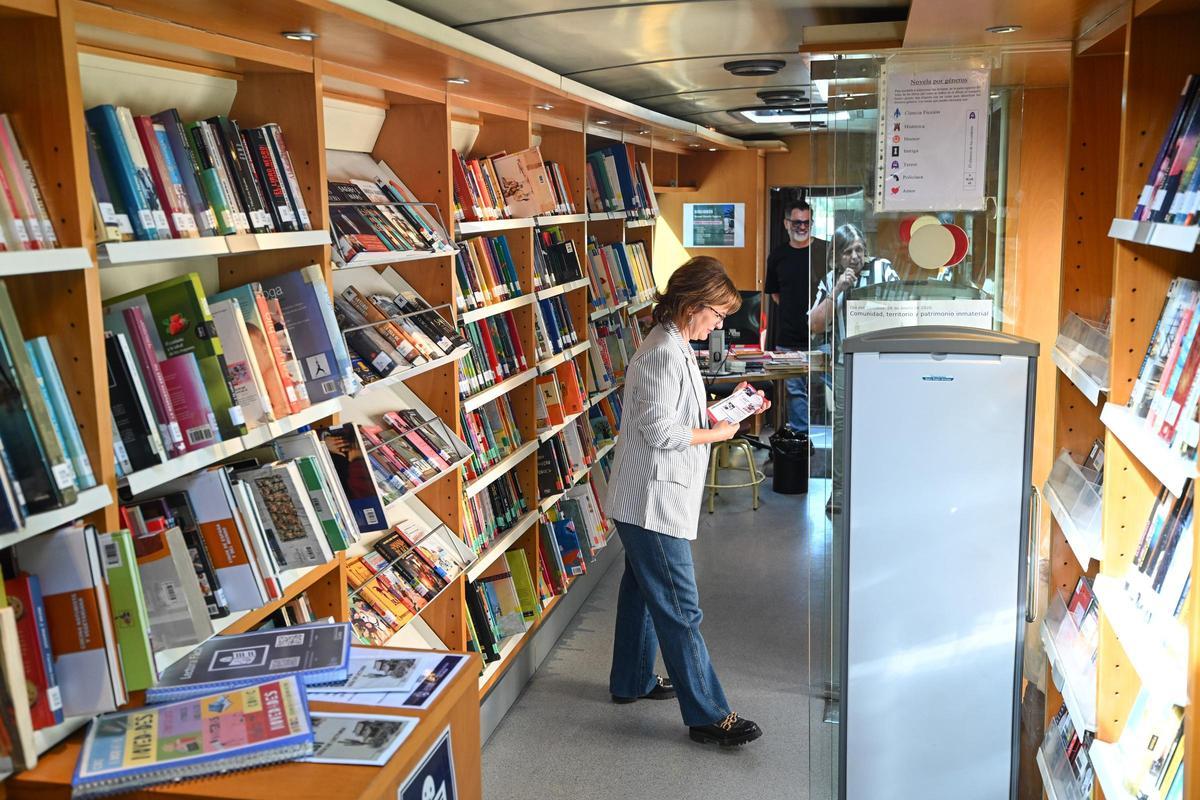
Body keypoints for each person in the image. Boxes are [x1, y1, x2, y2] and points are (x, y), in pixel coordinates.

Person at [606, 256, 770, 748]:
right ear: (693, 305)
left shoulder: (674, 345)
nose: (720, 324)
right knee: (680, 608)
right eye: (717, 315)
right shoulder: (661, 352)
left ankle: (630, 680)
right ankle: (707, 714)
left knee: (642, 592)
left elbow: (677, 415)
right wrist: (717, 433)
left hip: (649, 498)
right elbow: (659, 431)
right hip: (651, 501)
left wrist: (727, 409)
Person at [808, 223, 899, 517]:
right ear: (836, 257)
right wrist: (837, 290)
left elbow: (902, 306)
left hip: (883, 364)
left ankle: (880, 486)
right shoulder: (831, 280)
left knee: (881, 424)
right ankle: (840, 492)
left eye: (860, 250)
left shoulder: (883, 269)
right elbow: (814, 324)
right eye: (848, 252)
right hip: (846, 365)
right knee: (844, 429)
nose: (856, 257)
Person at [764, 198, 827, 433]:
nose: (802, 227)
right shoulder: (778, 256)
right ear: (786, 223)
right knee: (794, 392)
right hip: (789, 338)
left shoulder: (826, 251)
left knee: (830, 388)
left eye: (807, 222)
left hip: (824, 338)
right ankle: (802, 444)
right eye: (797, 222)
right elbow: (775, 294)